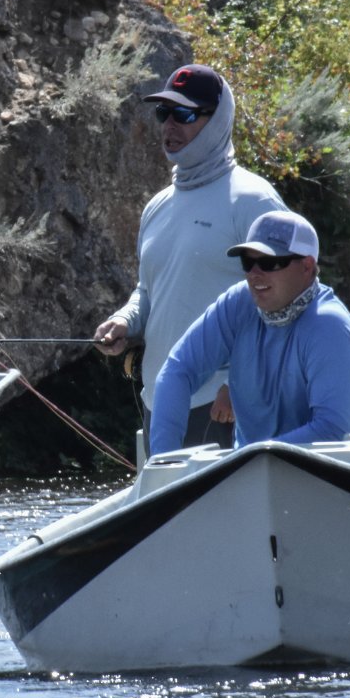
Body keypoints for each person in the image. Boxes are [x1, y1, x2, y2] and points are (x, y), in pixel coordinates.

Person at [94, 63, 286, 448]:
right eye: (164, 113)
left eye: (184, 114)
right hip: (160, 406)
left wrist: (241, 386)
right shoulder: (156, 207)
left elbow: (288, 301)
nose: (169, 125)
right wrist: (124, 322)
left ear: (217, 121)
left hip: (225, 408)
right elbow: (147, 293)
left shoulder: (254, 200)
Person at [150, 210, 350, 454]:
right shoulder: (238, 303)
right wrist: (163, 463)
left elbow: (333, 431)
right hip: (249, 473)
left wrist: (250, 460)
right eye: (248, 262)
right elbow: (178, 371)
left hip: (324, 479)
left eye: (269, 262)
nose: (255, 273)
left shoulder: (330, 326)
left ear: (307, 267)